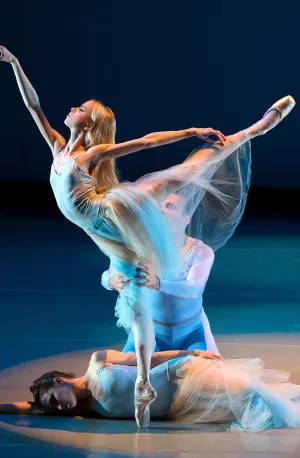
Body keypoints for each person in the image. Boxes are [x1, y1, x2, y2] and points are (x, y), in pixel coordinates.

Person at [0, 44, 295, 427]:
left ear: (88, 124)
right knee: (132, 289)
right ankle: (143, 382)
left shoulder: (87, 156)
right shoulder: (59, 147)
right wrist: (15, 65)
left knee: (176, 177)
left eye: (81, 108)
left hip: (111, 213)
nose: (72, 108)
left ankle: (253, 130)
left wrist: (192, 131)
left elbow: (145, 142)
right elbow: (33, 107)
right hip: (100, 232)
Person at [1, 348, 299, 432]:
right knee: (252, 406)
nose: (58, 407)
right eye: (53, 408)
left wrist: (192, 354)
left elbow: (147, 358)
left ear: (59, 381)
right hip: (180, 408)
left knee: (253, 390)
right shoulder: (87, 408)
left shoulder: (99, 362)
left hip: (181, 377)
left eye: (55, 400)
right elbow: (27, 407)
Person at [102, 192, 219, 354]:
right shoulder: (141, 247)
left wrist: (159, 283)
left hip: (190, 333)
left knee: (203, 374)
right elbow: (107, 274)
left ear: (186, 219)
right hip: (151, 331)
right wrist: (111, 280)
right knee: (119, 373)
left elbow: (193, 289)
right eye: (159, 207)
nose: (162, 210)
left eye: (170, 206)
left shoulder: (200, 251)